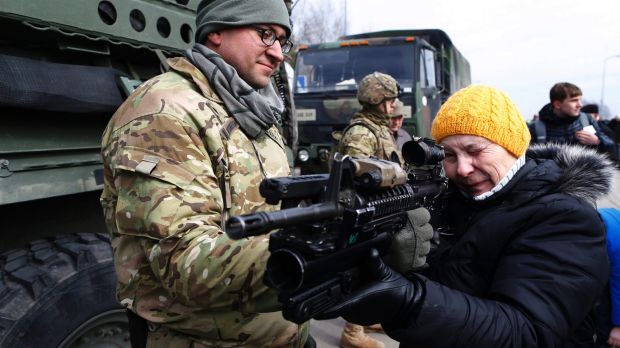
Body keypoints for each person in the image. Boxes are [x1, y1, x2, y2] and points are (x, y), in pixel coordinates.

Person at [316, 84, 614, 347]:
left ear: (514, 147)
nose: (462, 169)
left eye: (476, 150)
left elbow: (526, 332)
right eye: (449, 155)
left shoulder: (568, 218)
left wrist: (408, 299)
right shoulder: (452, 199)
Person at [99, 0, 310, 346]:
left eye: (282, 41)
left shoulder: (254, 109)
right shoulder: (165, 112)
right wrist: (318, 249)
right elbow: (185, 266)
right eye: (265, 34)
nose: (277, 54)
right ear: (215, 32)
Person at [336, 72, 432, 348]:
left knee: (378, 264)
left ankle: (366, 318)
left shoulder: (378, 128)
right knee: (362, 267)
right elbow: (354, 175)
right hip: (366, 210)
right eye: (389, 100)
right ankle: (352, 333)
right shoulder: (361, 132)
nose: (393, 106)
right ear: (377, 100)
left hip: (383, 208)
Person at [529, 82, 616, 160]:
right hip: (549, 177)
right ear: (557, 104)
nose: (580, 105)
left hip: (582, 176)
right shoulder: (536, 128)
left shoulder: (586, 120)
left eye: (580, 100)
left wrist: (597, 141)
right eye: (574, 100)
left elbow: (612, 150)